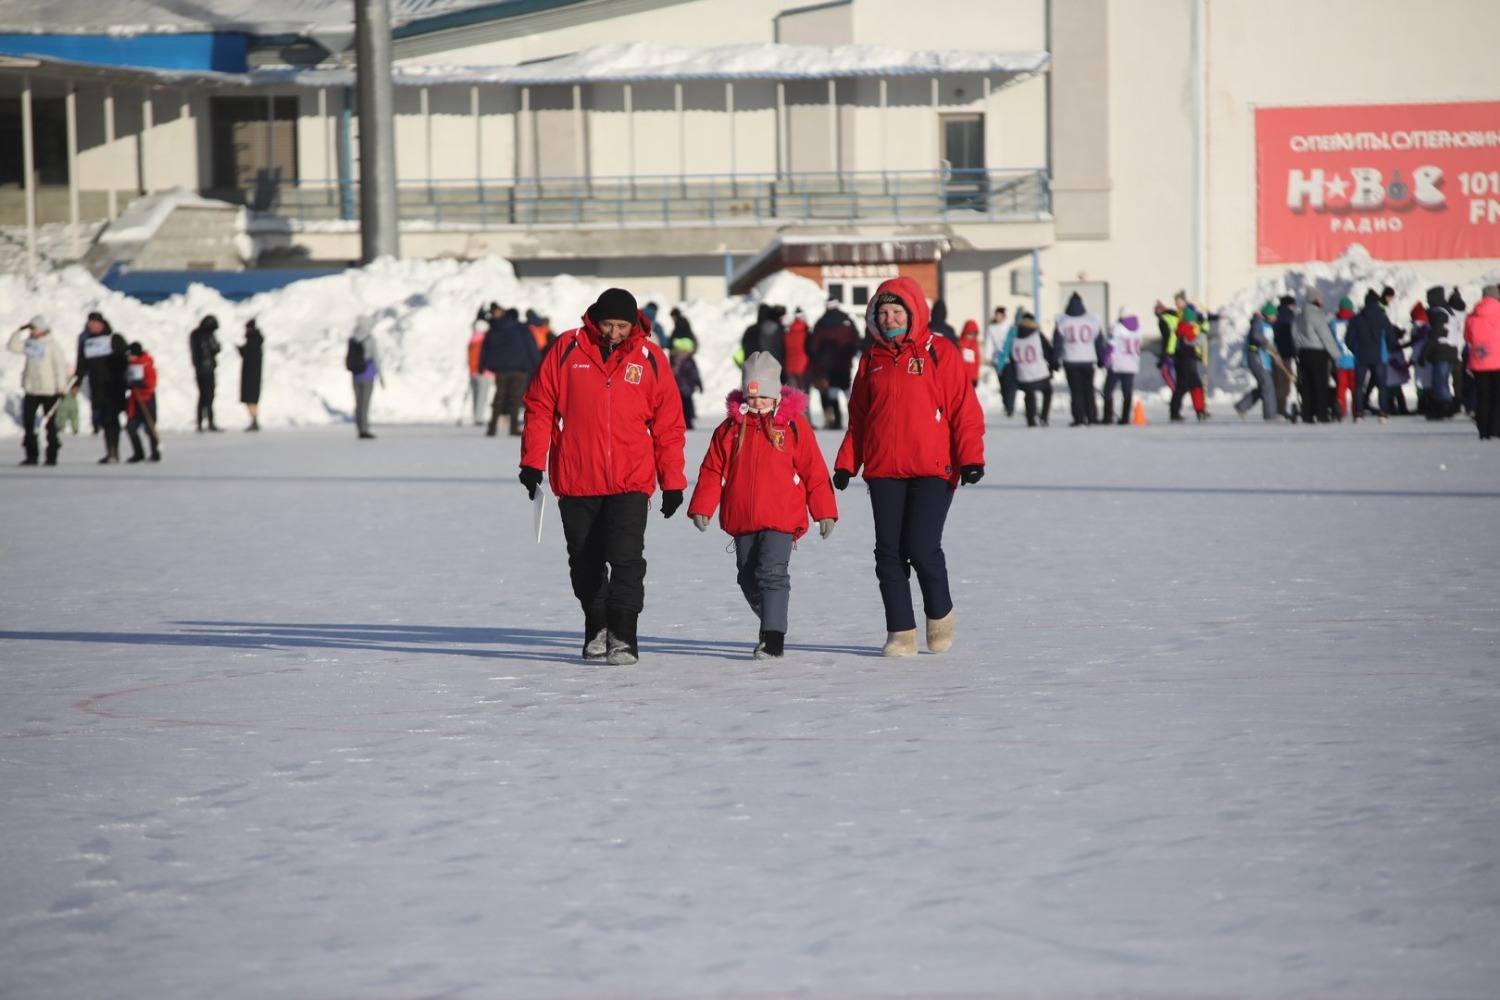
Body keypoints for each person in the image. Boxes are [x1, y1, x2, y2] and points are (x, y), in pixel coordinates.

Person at [519, 287, 687, 666]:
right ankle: (596, 625)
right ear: (595, 319)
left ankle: (624, 635)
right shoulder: (566, 349)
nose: (614, 333)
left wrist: (672, 481)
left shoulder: (650, 358)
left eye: (622, 326)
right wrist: (533, 461)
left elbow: (669, 425)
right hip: (577, 478)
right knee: (584, 561)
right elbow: (539, 406)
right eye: (608, 324)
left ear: (634, 324)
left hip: (631, 479)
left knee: (627, 559)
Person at [832, 277, 985, 658]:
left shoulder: (941, 352)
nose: (889, 318)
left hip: (933, 467)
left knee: (921, 546)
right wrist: (847, 463)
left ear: (913, 311)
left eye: (896, 310)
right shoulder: (871, 360)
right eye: (882, 312)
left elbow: (964, 410)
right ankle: (900, 632)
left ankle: (940, 615)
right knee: (888, 552)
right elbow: (860, 418)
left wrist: (971, 458)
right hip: (884, 469)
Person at [687, 352, 838, 658]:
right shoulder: (729, 430)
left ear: (777, 395)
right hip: (742, 516)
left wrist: (824, 511)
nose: (757, 403)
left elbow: (815, 471)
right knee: (747, 574)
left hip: (782, 516)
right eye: (752, 396)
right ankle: (772, 612)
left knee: (772, 573)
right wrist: (703, 506)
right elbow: (712, 470)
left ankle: (773, 636)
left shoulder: (793, 427)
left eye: (764, 397)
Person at [7, 315, 70, 466]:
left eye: (33, 328)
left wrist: (61, 388)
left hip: (50, 391)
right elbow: (12, 347)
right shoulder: (29, 344)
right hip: (31, 390)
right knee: (28, 424)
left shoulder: (52, 345)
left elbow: (60, 368)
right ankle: (31, 455)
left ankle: (52, 456)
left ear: (41, 329)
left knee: (50, 425)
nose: (31, 331)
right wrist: (18, 332)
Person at [74, 311, 128, 463]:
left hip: (114, 386)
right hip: (97, 387)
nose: (91, 326)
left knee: (112, 418)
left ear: (102, 324)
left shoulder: (114, 339)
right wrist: (77, 382)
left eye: (94, 323)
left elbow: (124, 359)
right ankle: (110, 450)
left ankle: (114, 451)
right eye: (89, 324)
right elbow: (82, 365)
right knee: (104, 419)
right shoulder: (87, 343)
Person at [482, 307, 541, 437]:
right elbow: (531, 347)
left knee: (499, 397)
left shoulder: (495, 328)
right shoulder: (522, 329)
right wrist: (538, 365)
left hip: (501, 369)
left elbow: (487, 347)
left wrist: (484, 364)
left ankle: (492, 428)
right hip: (519, 369)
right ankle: (513, 428)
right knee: (515, 399)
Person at [807, 300, 861, 430]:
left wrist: (820, 361)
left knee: (833, 392)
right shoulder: (847, 320)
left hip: (829, 366)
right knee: (849, 392)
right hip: (845, 364)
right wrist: (850, 354)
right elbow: (857, 340)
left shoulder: (821, 323)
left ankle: (835, 421)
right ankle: (857, 420)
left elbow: (813, 346)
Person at [1054, 292, 1103, 426]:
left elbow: (1057, 344)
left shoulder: (1062, 322)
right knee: (1089, 389)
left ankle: (1079, 418)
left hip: (1070, 360)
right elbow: (1099, 342)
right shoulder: (1092, 321)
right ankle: (1092, 416)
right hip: (1088, 360)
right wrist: (1101, 358)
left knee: (1076, 391)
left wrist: (1054, 361)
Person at [1292, 288, 1339, 424]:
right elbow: (1326, 336)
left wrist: (1298, 349)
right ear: (1315, 299)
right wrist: (1336, 355)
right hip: (1318, 353)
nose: (1322, 301)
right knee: (1320, 385)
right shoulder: (1316, 316)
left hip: (1303, 353)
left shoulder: (1299, 316)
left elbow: (1294, 334)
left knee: (1306, 385)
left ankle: (1307, 413)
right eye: (1320, 299)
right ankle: (1321, 414)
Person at [1346, 289, 1394, 422]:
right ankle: (1383, 412)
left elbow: (1349, 339)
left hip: (1361, 356)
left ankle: (1359, 413)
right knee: (1381, 386)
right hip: (1379, 356)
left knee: (1359, 386)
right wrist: (1388, 350)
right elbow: (1391, 337)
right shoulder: (1383, 317)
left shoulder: (1356, 319)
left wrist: (1355, 350)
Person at [1463, 285, 1500, 440]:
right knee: (1497, 397)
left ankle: (1483, 431)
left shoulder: (1472, 316)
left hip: (1479, 360)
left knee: (1483, 397)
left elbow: (1467, 338)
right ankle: (1496, 429)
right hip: (1498, 360)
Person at [1234, 302, 1280, 421]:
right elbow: (1256, 335)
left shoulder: (1267, 325)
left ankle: (1242, 406)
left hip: (1265, 359)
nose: (1275, 318)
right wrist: (1265, 343)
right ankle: (1270, 415)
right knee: (1267, 385)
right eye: (1274, 315)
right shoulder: (1257, 322)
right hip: (1256, 357)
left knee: (1264, 386)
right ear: (1268, 314)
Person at [1419, 286, 1458, 420]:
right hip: (1451, 350)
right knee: (1444, 381)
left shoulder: (1437, 313)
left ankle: (1443, 408)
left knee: (1439, 381)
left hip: (1441, 351)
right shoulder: (1449, 311)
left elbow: (1435, 335)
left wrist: (1424, 353)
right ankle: (1446, 406)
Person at [1102, 305, 1143, 424]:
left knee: (1108, 390)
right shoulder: (1138, 329)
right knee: (1127, 392)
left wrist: (1105, 360)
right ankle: (1125, 418)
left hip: (1118, 364)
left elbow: (1111, 346)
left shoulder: (1118, 328)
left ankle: (1107, 417)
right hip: (1132, 365)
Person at [1011, 312, 1053, 427]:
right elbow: (1048, 351)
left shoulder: (1016, 339)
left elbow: (1012, 357)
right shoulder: (1037, 336)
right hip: (1039, 371)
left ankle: (1031, 419)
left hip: (1023, 373)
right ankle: (1044, 416)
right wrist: (1052, 367)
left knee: (1029, 394)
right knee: (1047, 391)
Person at [1169, 306, 1209, 421]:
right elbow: (1195, 341)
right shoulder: (1185, 328)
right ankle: (1175, 412)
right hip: (1185, 362)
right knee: (1182, 387)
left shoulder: (1186, 327)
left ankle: (1200, 409)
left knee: (1196, 386)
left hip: (1189, 362)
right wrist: (1203, 332)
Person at [123, 341, 161, 463]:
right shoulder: (129, 365)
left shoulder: (146, 364)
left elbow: (151, 383)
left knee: (149, 427)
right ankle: (138, 453)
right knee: (131, 427)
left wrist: (139, 384)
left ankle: (155, 452)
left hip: (147, 399)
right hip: (135, 400)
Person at [347, 316, 382, 439]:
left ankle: (359, 428)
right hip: (367, 374)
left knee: (358, 403)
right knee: (365, 404)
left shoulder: (352, 339)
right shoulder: (370, 339)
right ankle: (364, 429)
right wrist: (381, 375)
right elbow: (376, 358)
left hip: (356, 375)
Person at [189, 316, 222, 432]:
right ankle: (210, 422)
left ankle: (200, 422)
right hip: (208, 369)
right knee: (209, 396)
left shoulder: (194, 335)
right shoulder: (208, 335)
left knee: (202, 396)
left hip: (199, 369)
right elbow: (215, 348)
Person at [985, 306, 1017, 417]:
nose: (997, 317)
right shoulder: (992, 328)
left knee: (1009, 384)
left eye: (999, 315)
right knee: (1002, 384)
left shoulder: (1010, 327)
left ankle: (1010, 407)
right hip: (997, 360)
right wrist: (989, 357)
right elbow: (990, 343)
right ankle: (1006, 404)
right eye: (996, 315)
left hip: (1008, 360)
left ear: (1003, 316)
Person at [1331, 298, 1358, 421]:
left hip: (1340, 361)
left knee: (1341, 388)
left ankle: (1341, 410)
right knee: (1355, 387)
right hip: (1354, 361)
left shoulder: (1333, 324)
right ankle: (1356, 409)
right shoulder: (1356, 322)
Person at [1272, 294, 1298, 418]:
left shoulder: (1276, 315)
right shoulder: (1290, 317)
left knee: (1276, 383)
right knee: (1284, 383)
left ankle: (1276, 408)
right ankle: (1280, 409)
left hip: (1274, 354)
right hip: (1286, 354)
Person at [466, 306, 492, 427]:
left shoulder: (473, 339)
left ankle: (477, 416)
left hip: (473, 371)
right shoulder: (485, 340)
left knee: (476, 396)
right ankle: (479, 417)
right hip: (483, 371)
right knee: (482, 395)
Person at [670, 336, 703, 430]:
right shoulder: (687, 360)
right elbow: (694, 373)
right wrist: (699, 384)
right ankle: (687, 422)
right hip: (686, 388)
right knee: (686, 406)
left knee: (683, 406)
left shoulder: (675, 360)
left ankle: (685, 422)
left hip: (681, 388)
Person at [239, 319, 263, 431]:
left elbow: (247, 354)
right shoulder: (257, 340)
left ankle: (254, 420)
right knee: (253, 399)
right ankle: (254, 420)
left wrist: (241, 350)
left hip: (250, 374)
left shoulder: (252, 340)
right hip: (255, 374)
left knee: (250, 398)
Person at [783, 306, 810, 391]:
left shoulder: (788, 333)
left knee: (793, 395)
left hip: (790, 367)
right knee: (804, 394)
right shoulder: (806, 333)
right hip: (803, 367)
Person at [957, 319, 983, 388]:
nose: (971, 336)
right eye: (969, 333)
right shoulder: (959, 343)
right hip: (961, 376)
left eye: (974, 334)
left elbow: (977, 360)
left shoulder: (975, 344)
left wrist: (976, 376)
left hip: (972, 377)